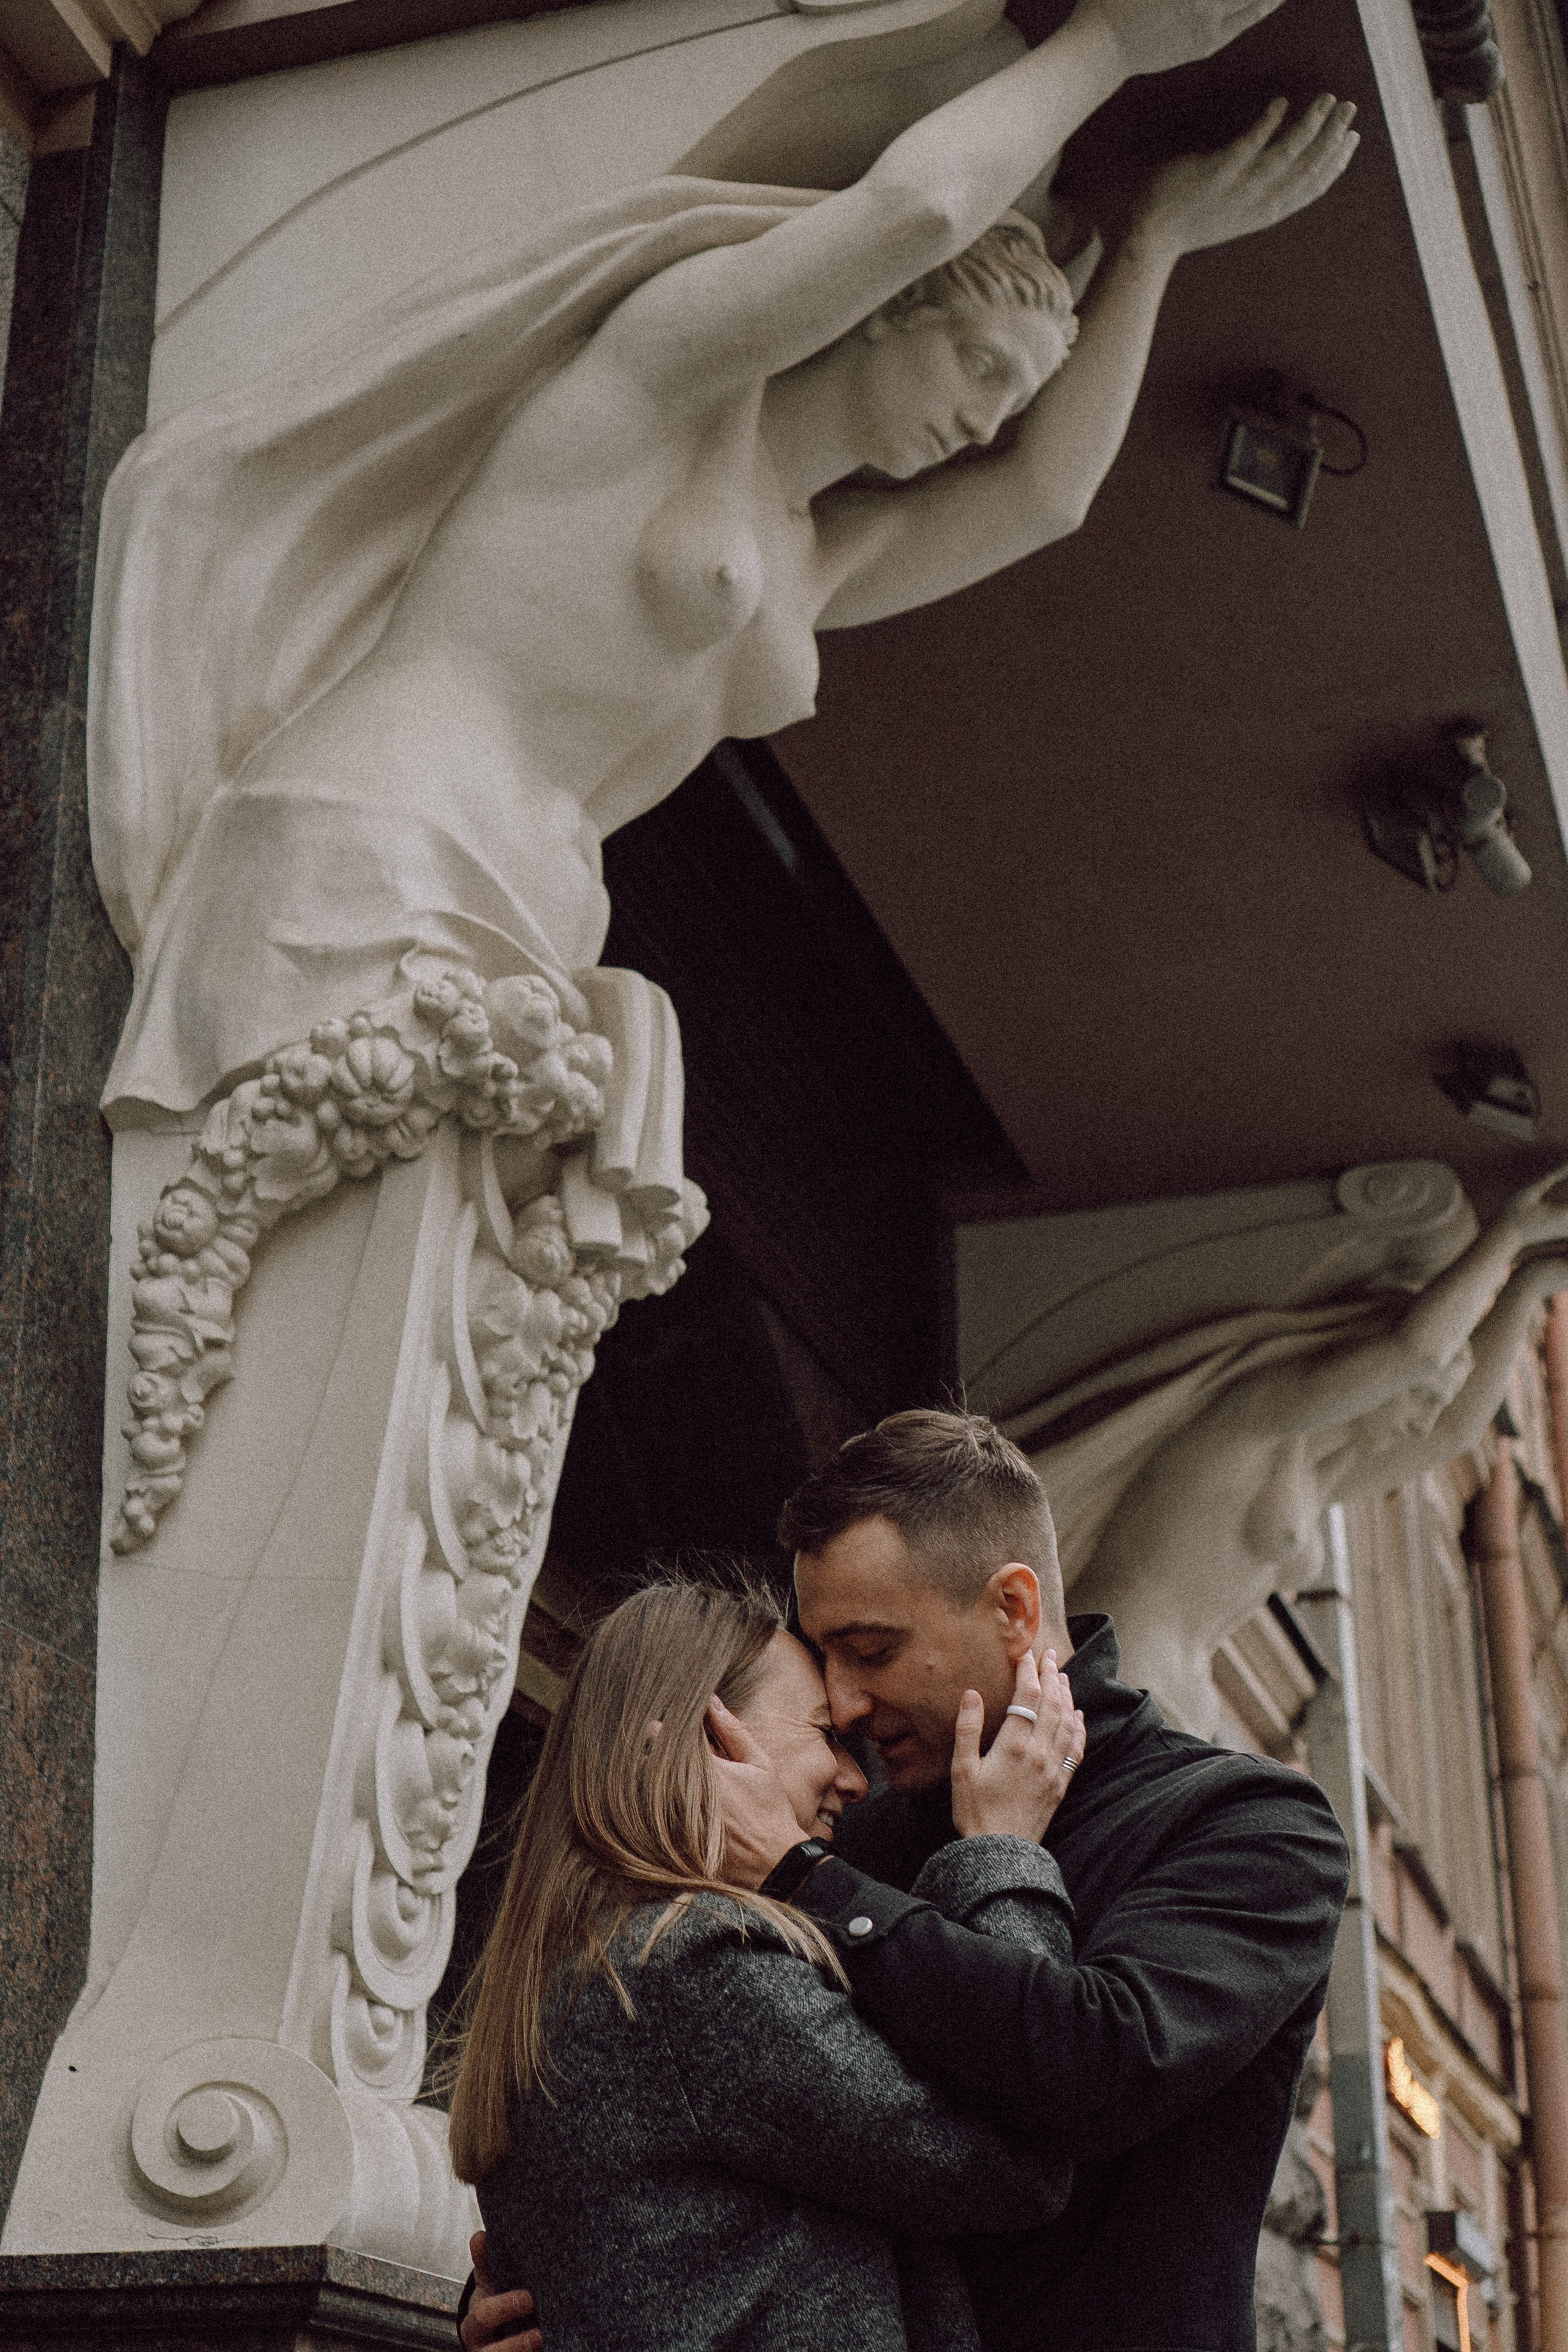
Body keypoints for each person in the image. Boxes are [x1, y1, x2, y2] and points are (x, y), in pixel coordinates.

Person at [89, 0, 1356, 1131]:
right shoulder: (665, 375)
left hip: (545, 908)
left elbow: (1044, 498)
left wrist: (1156, 243)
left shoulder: (817, 552)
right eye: (977, 366)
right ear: (883, 307)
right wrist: (1108, 47)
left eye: (1007, 399)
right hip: (384, 826)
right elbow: (912, 211)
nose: (981, 422)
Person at [462, 1413, 1349, 2352]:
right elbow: (680, 2149)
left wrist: (822, 1875)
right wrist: (588, 2299)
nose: (843, 1702)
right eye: (825, 1657)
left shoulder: (1246, 1824)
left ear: (1013, 1608)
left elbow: (1093, 2073)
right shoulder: (850, 1843)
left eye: (873, 1650)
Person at [446, 1573, 1087, 2352]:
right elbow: (1014, 2162)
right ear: (709, 1745)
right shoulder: (695, 1968)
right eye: (824, 1734)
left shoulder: (590, 1969)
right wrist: (1003, 1850)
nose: (855, 1779)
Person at [1014, 1159, 1568, 1732]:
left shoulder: (1321, 1471)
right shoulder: (1256, 1417)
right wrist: (1511, 1236)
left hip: (1184, 1693)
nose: (1426, 1421)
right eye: (1422, 1398)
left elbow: (1454, 1433)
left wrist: (1533, 1284)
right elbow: (1415, 1352)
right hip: (1120, 1660)